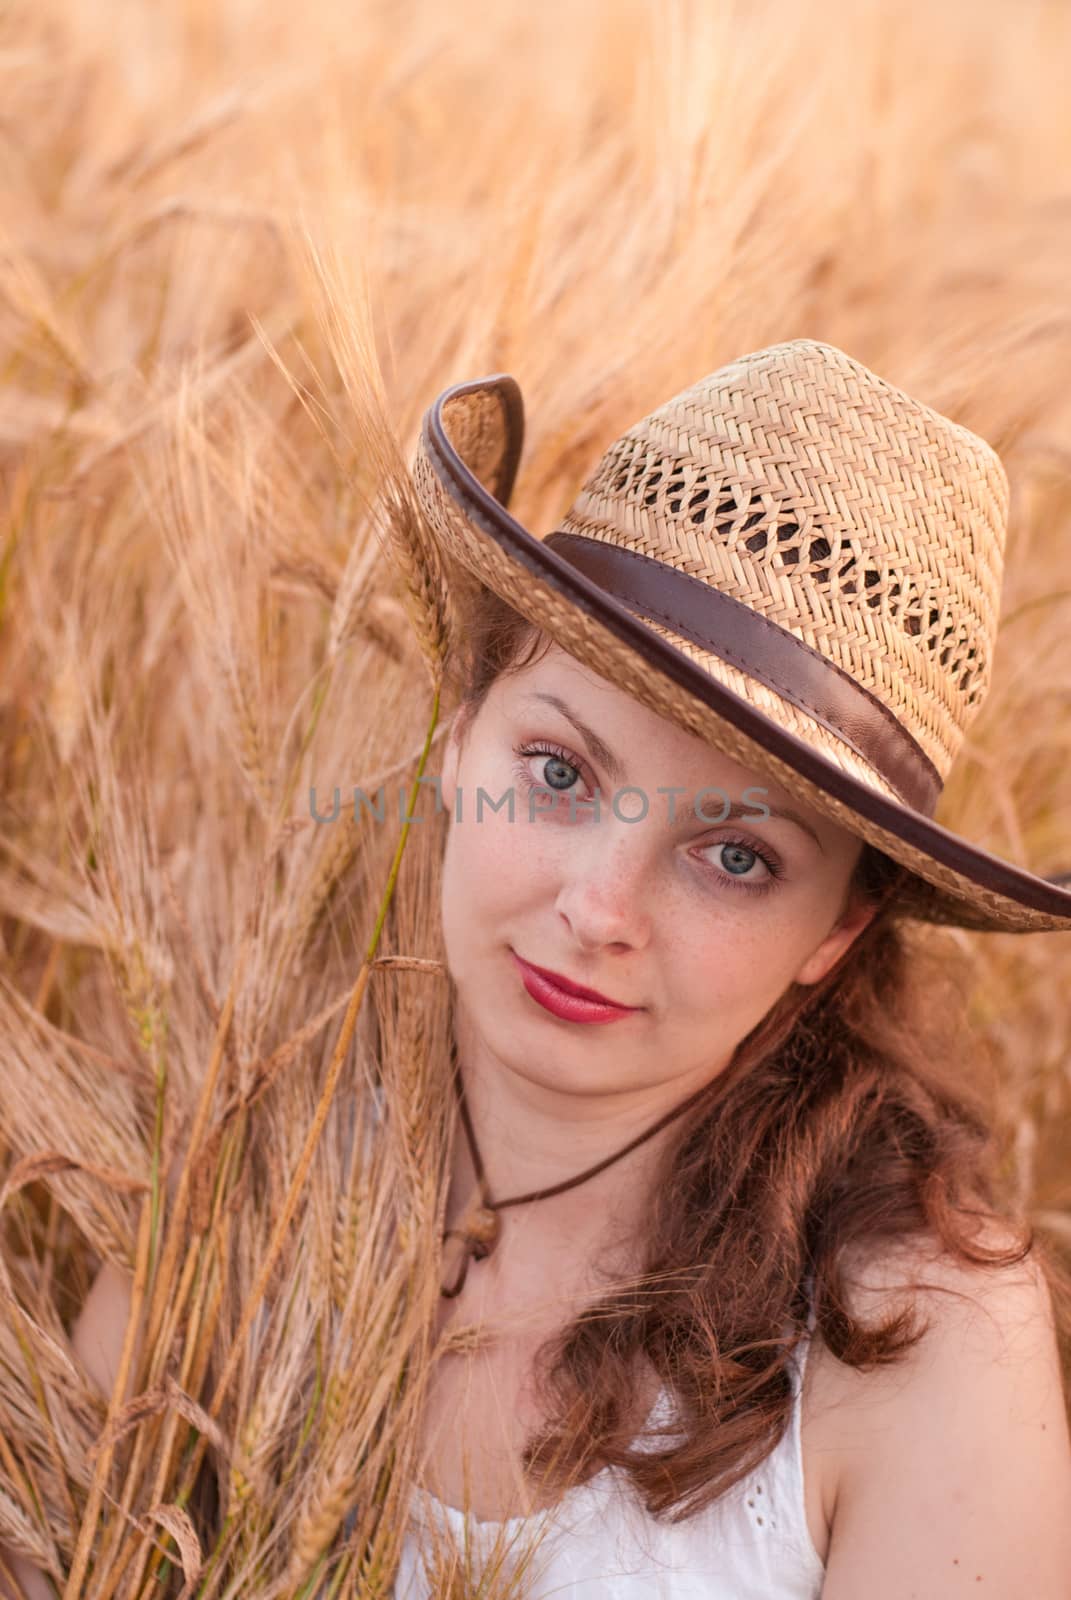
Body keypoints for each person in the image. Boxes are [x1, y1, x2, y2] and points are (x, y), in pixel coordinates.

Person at [5, 339, 1071, 1600]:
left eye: (734, 854)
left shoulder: (917, 1340)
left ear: (837, 930)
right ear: (459, 739)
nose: (597, 907)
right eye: (560, 773)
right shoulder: (249, 1189)